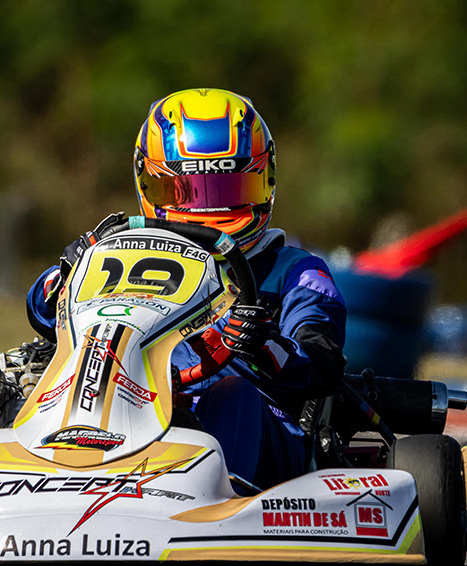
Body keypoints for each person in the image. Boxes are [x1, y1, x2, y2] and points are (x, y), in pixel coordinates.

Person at [26, 88, 346, 490]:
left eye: (229, 192)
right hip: (127, 407)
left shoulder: (295, 272)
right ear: (150, 183)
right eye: (189, 192)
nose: (208, 211)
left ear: (265, 182)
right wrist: (72, 268)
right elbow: (41, 311)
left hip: (259, 434)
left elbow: (322, 363)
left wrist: (259, 344)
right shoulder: (123, 254)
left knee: (234, 395)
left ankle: (220, 503)